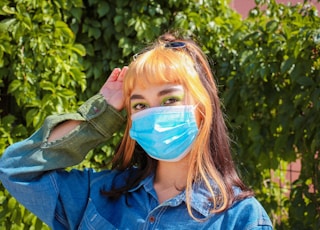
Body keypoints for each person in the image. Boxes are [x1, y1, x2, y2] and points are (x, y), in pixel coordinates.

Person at [0, 32, 273, 229]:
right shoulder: (97, 194)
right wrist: (103, 111)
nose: (153, 115)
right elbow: (16, 169)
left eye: (169, 100)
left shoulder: (242, 219)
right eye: (140, 104)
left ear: (202, 108)